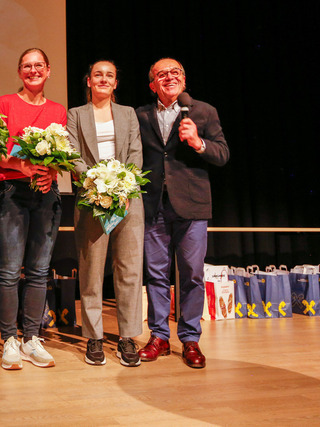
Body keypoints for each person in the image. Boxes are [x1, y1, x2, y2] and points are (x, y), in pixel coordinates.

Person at [136, 58, 229, 369]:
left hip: (192, 205)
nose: (169, 77)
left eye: (175, 72)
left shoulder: (203, 111)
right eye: (161, 74)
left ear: (184, 80)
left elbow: (222, 154)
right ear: (153, 85)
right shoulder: (140, 115)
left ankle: (190, 339)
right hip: (153, 205)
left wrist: (198, 142)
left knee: (191, 274)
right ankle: (159, 337)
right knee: (156, 275)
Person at [0, 48, 66, 370]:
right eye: (27, 66)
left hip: (46, 193)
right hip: (10, 190)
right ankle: (9, 339)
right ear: (20, 72)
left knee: (39, 270)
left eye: (38, 66)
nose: (33, 70)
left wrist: (51, 172)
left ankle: (32, 338)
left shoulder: (58, 110)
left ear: (48, 70)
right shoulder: (4, 103)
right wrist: (19, 166)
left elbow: (61, 155)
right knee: (9, 270)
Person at [67, 60, 144, 367]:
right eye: (97, 74)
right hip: (91, 198)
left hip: (127, 199)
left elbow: (135, 153)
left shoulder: (128, 113)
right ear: (88, 81)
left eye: (109, 75)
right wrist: (96, 183)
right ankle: (94, 337)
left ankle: (127, 337)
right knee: (91, 271)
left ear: (115, 83)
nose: (103, 79)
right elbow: (73, 154)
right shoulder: (76, 114)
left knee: (129, 270)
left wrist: (123, 187)